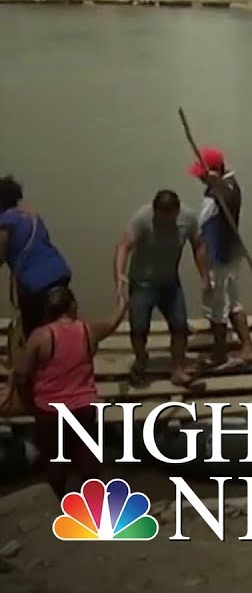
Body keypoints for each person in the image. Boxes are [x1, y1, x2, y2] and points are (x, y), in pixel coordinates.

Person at [11, 286, 127, 498]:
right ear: (72, 306)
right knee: (87, 458)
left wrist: (28, 401)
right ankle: (95, 506)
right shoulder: (87, 330)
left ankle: (57, 506)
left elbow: (21, 374)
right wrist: (122, 301)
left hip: (50, 410)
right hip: (84, 407)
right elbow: (113, 322)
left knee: (56, 460)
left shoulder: (41, 336)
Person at [114, 189, 211, 390]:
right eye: (161, 218)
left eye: (170, 218)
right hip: (142, 283)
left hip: (170, 282)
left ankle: (177, 368)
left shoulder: (188, 218)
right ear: (155, 211)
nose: (165, 223)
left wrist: (204, 276)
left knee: (180, 326)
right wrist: (120, 275)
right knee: (139, 329)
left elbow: (199, 245)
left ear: (176, 213)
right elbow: (124, 246)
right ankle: (141, 360)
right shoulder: (142, 218)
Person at [189, 146, 252, 371]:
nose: (199, 178)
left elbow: (204, 234)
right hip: (231, 254)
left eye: (202, 174)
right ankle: (247, 347)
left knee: (215, 307)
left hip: (219, 257)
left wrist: (203, 274)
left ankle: (219, 354)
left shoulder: (222, 193)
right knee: (233, 302)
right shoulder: (229, 186)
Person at [0, 175, 73, 339]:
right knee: (59, 323)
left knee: (33, 332)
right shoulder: (33, 217)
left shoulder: (4, 223)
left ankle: (36, 359)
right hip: (60, 272)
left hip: (35, 284)